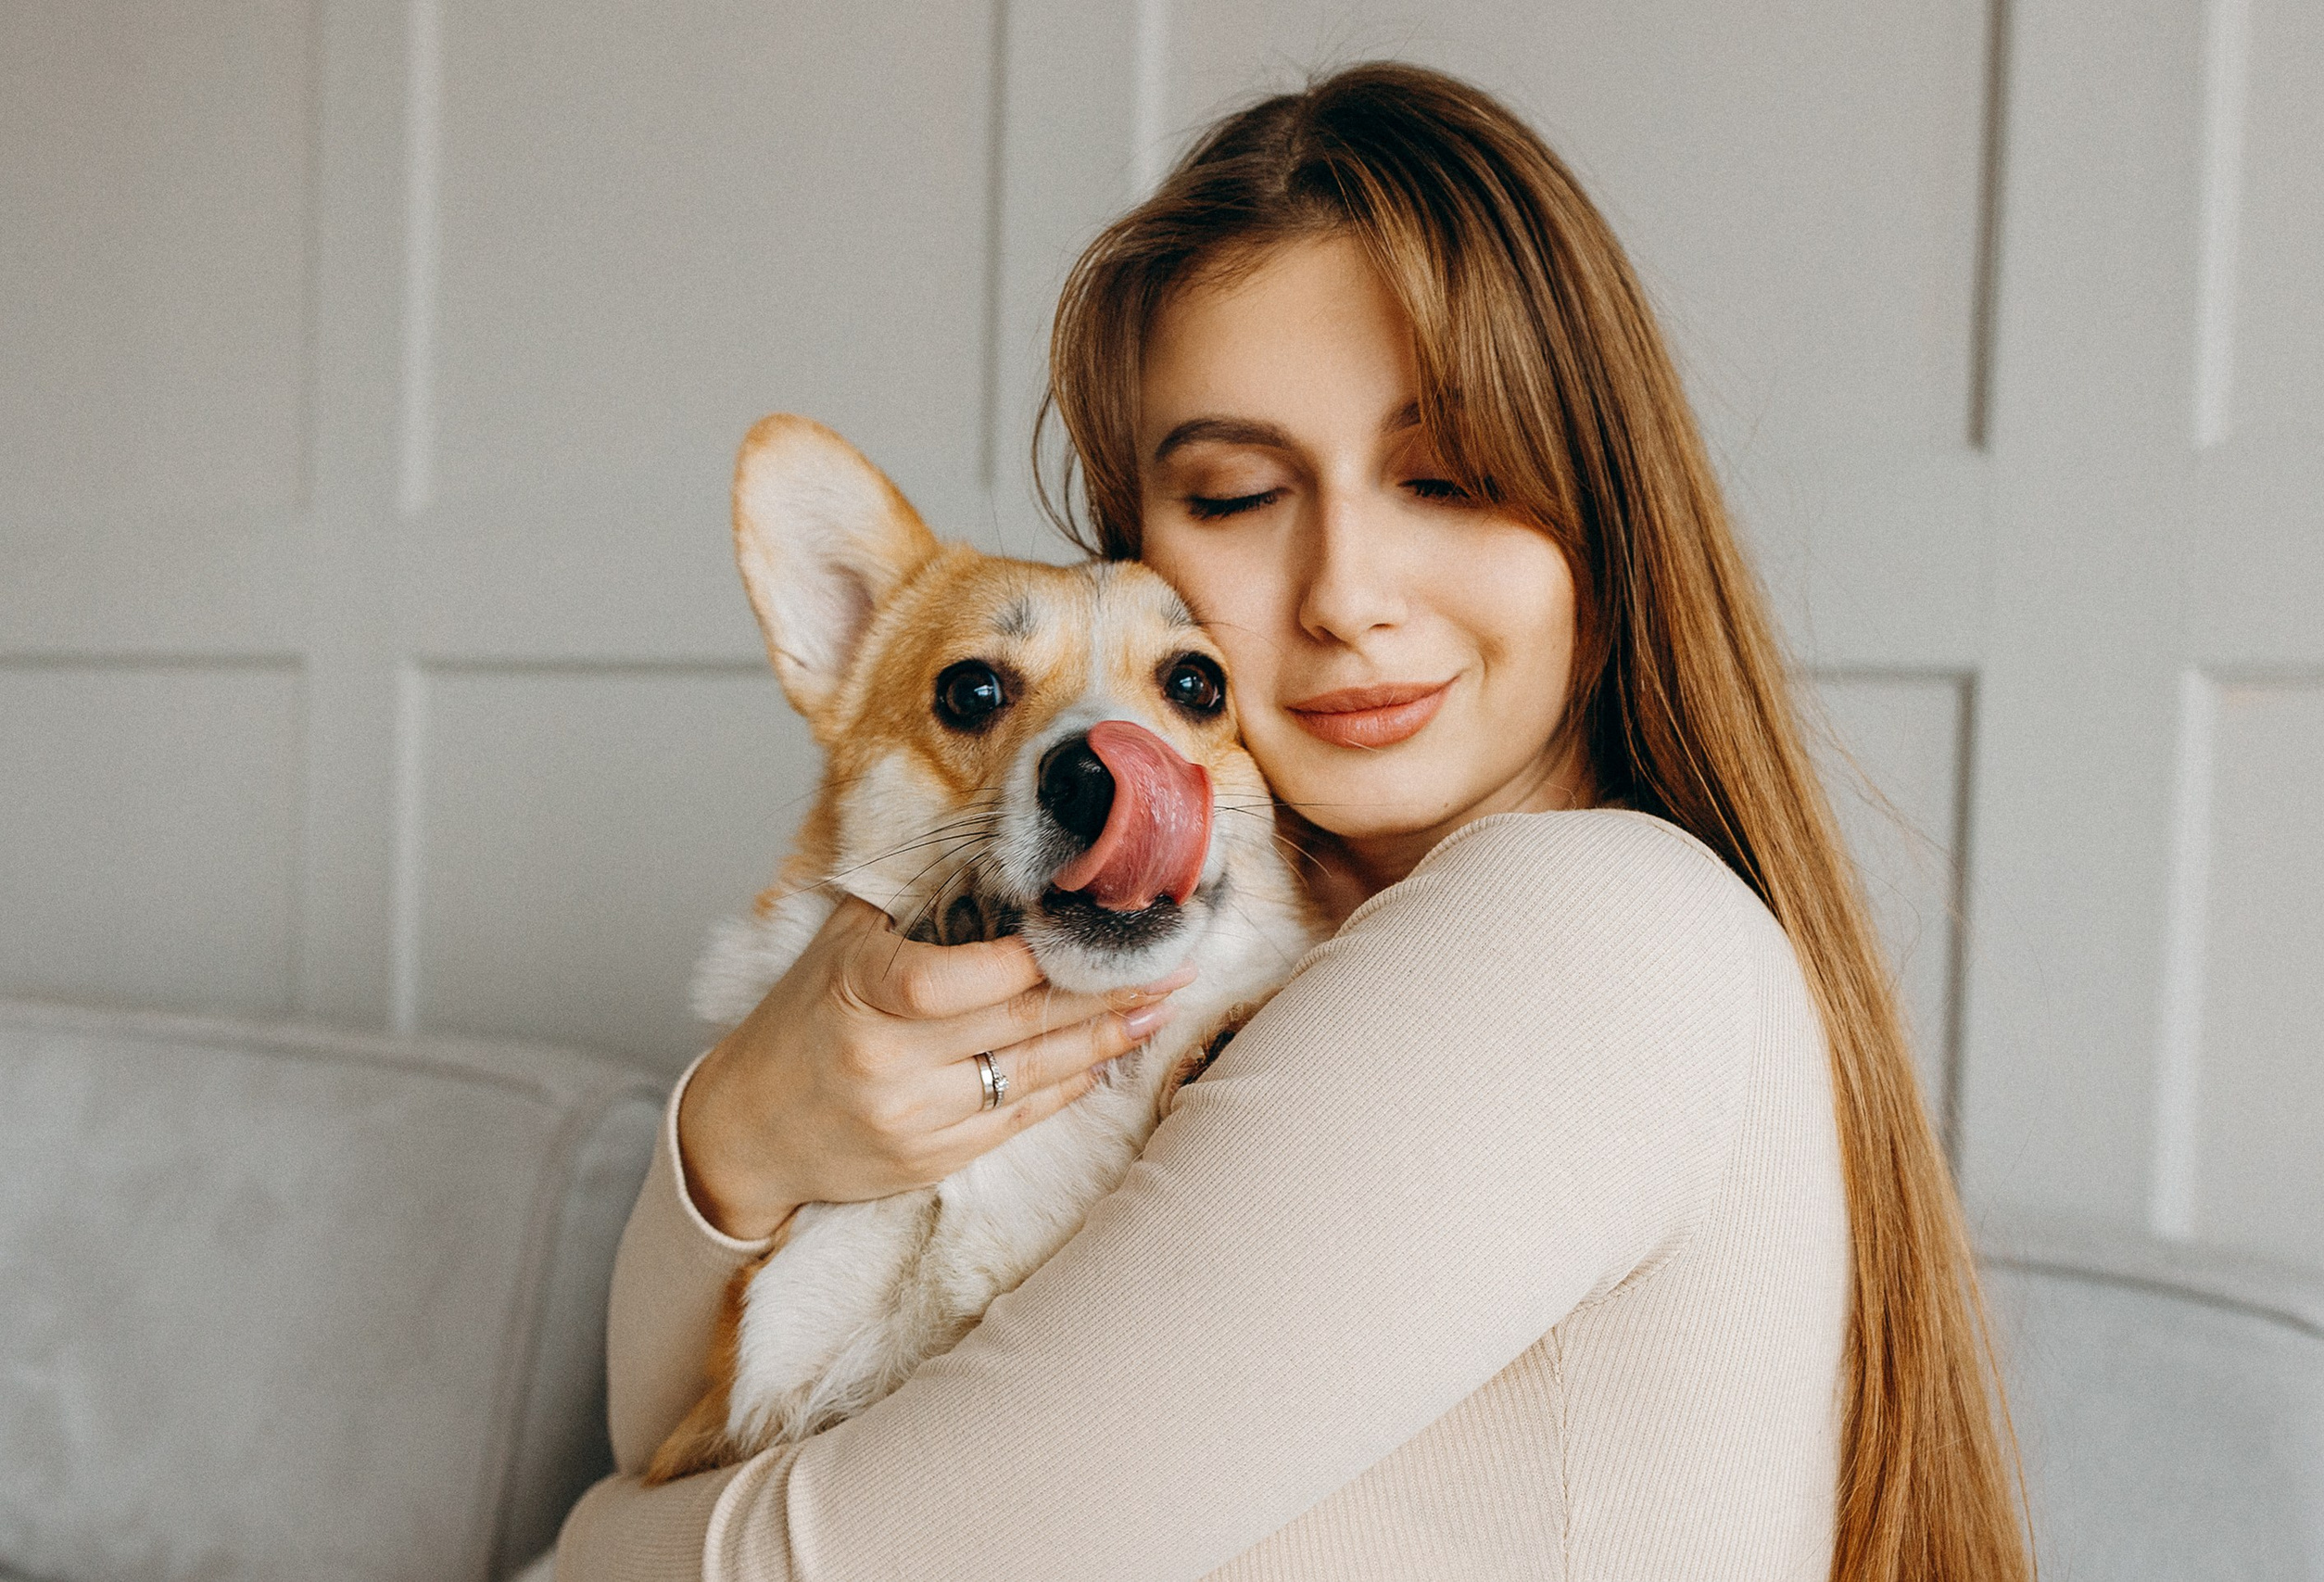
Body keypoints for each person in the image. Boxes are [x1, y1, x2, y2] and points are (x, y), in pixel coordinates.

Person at [556, 61, 2028, 1581]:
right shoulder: (1261, 977)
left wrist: (589, 1544)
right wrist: (738, 1134)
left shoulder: (1584, 934)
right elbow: (698, 1429)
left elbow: (821, 1557)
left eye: (1447, 476)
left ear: (1601, 508)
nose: (1345, 596)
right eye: (1243, 494)